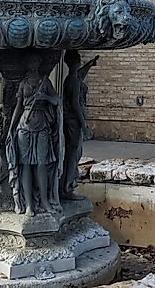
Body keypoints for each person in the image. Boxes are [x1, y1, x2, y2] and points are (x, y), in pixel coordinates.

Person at [6, 53, 63, 215]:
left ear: (39, 63)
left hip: (42, 125)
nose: (33, 64)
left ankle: (45, 201)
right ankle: (29, 204)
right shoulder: (23, 84)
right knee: (25, 165)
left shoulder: (45, 82)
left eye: (36, 60)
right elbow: (18, 107)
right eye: (30, 60)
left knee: (42, 164)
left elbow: (56, 101)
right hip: (24, 126)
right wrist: (11, 127)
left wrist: (45, 97)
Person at [61, 51, 98, 199]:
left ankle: (66, 184)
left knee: (73, 153)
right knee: (73, 154)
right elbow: (76, 104)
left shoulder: (69, 79)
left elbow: (81, 74)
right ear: (76, 63)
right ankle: (68, 187)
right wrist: (84, 126)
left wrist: (89, 64)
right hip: (74, 121)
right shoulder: (74, 81)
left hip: (69, 120)